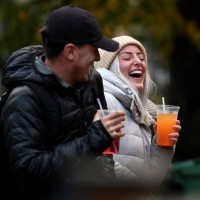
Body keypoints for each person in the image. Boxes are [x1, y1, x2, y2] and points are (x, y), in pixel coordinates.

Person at [0, 5, 127, 200]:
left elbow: (104, 151)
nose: (98, 58)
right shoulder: (24, 98)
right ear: (70, 52)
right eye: (94, 49)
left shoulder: (92, 81)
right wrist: (94, 138)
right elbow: (29, 173)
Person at [94, 35, 181, 197]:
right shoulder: (105, 101)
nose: (138, 61)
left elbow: (152, 178)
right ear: (111, 67)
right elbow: (101, 164)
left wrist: (164, 147)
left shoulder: (138, 110)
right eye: (127, 57)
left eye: (141, 58)